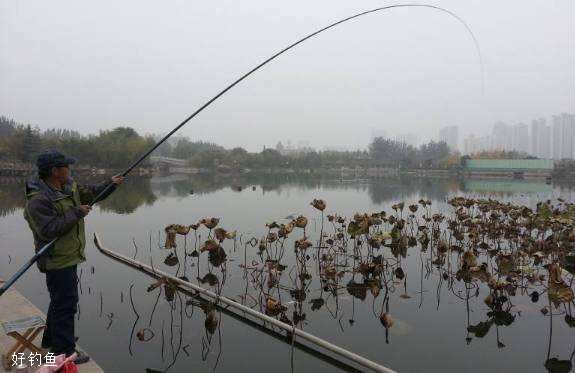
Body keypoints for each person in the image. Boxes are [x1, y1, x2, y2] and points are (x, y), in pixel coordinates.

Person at [23, 150, 124, 365]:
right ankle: (64, 352)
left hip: (69, 256)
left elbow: (94, 192)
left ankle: (53, 340)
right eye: (66, 166)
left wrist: (112, 183)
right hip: (56, 259)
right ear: (55, 171)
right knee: (66, 305)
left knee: (60, 301)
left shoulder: (69, 186)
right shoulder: (38, 201)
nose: (70, 169)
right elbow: (48, 230)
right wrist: (76, 212)